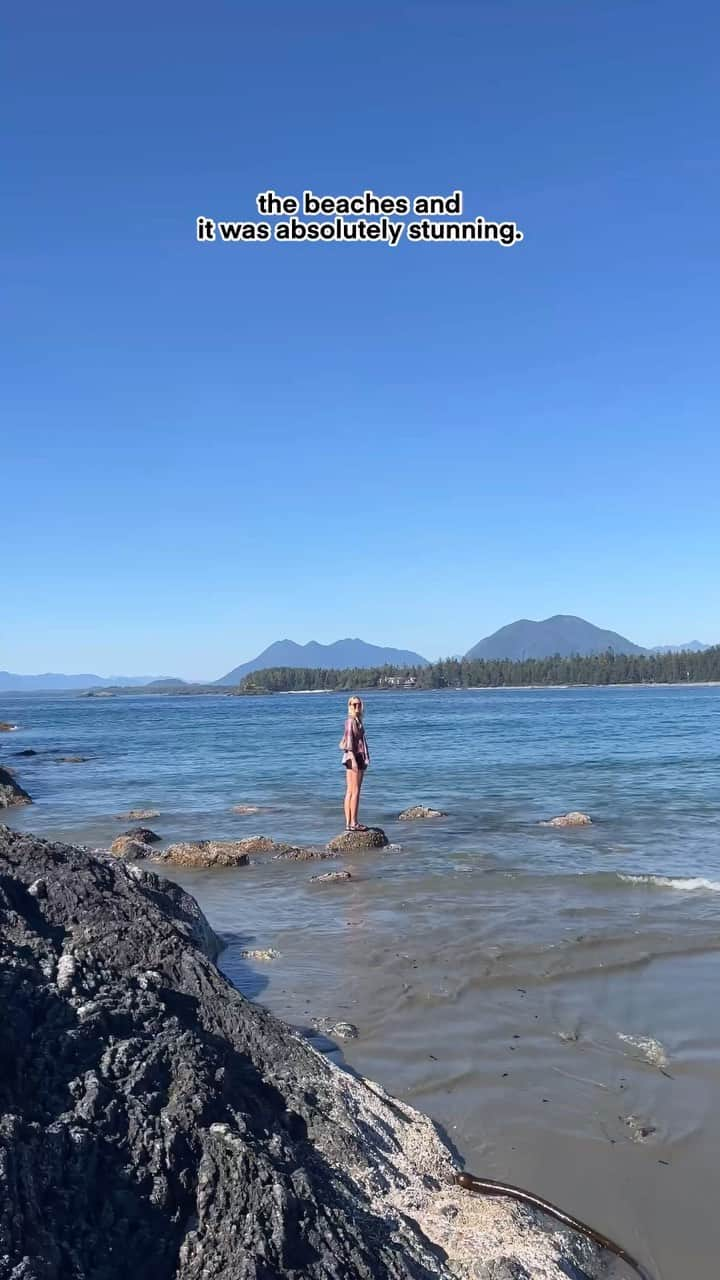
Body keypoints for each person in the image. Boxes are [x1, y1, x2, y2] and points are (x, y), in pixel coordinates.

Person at [340, 695, 370, 831]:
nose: (356, 707)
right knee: (354, 791)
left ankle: (350, 823)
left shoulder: (357, 721)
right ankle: (353, 822)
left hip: (356, 756)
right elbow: (349, 742)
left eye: (358, 704)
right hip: (354, 757)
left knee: (351, 790)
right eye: (353, 705)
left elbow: (344, 740)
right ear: (349, 706)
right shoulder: (351, 721)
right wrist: (353, 758)